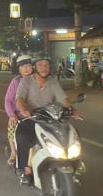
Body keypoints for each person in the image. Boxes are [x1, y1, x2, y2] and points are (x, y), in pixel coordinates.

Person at [15, 54, 74, 184]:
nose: (44, 68)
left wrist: (71, 108)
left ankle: (72, 161)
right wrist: (23, 110)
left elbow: (62, 98)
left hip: (50, 118)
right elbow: (19, 98)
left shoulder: (53, 81)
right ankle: (24, 169)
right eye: (40, 65)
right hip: (32, 118)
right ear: (35, 67)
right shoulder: (26, 81)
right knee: (22, 136)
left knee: (69, 133)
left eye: (46, 65)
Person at [4, 55, 33, 167]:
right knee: (12, 127)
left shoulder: (37, 79)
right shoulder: (16, 81)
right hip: (20, 114)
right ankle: (13, 153)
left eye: (28, 66)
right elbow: (8, 100)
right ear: (19, 69)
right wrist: (12, 115)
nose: (26, 69)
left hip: (37, 114)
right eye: (23, 66)